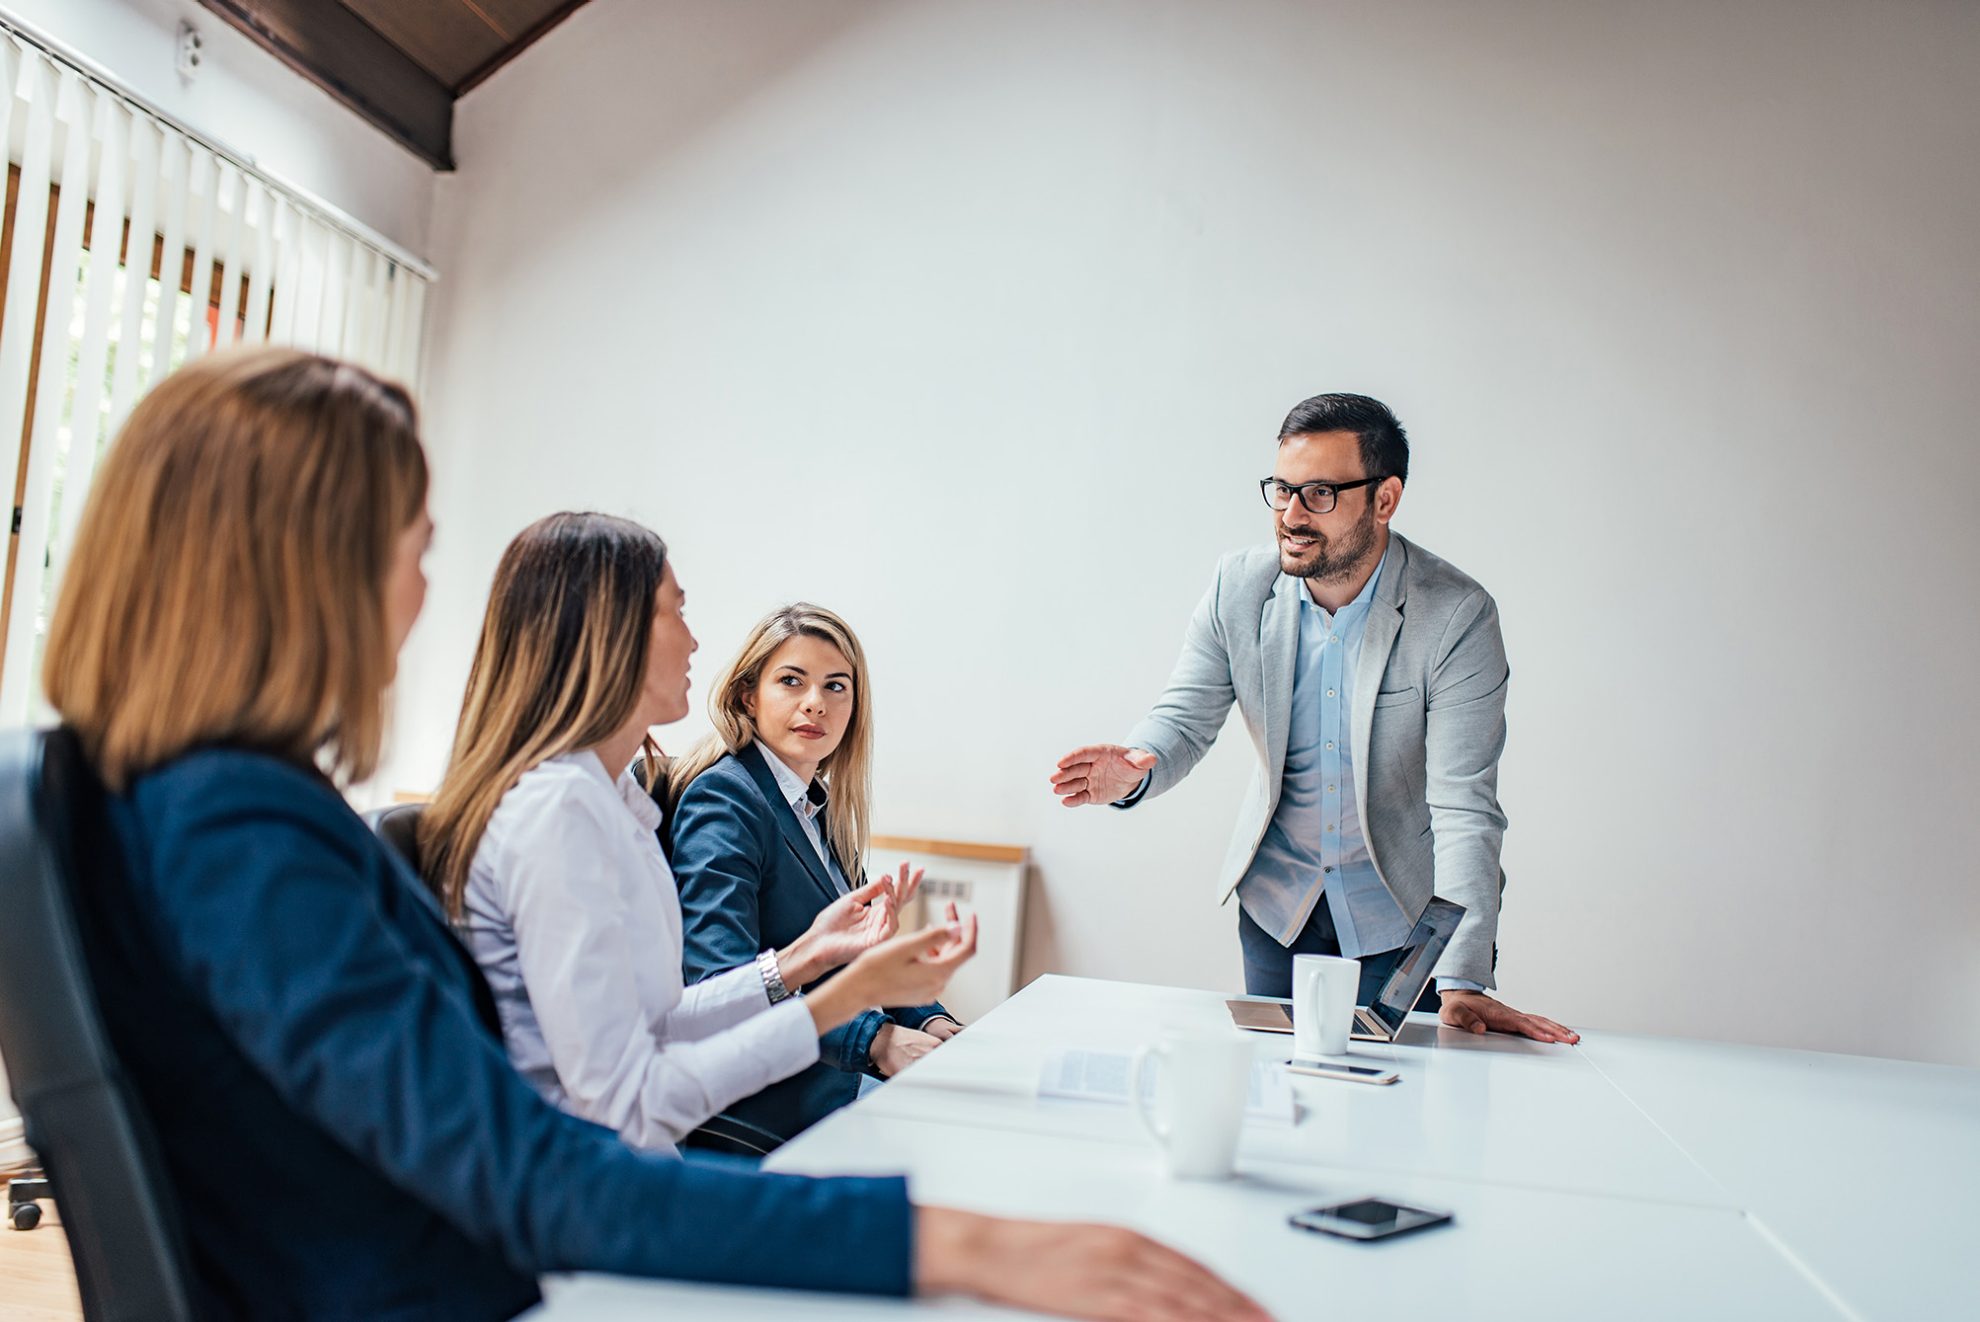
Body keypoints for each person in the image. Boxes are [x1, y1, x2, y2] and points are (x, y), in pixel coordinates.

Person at [43, 347, 1266, 1321]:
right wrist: (952, 1240)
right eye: (412, 551)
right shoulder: (240, 831)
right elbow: (533, 1172)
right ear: (306, 568)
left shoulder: (197, 801)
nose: (423, 593)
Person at [418, 511, 973, 1155]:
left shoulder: (618, 795)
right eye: (674, 612)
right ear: (606, 633)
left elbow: (661, 1025)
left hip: (638, 1159)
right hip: (606, 1183)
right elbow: (627, 1099)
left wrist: (811, 959)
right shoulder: (561, 812)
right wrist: (854, 1007)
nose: (693, 642)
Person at [1051, 392, 1576, 1045]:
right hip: (1279, 907)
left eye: (1320, 493)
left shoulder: (1457, 616)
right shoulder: (1237, 587)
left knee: (1396, 1117)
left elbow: (1464, 810)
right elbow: (1184, 719)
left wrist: (1462, 980)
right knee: (1279, 1106)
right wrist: (1132, 769)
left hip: (1400, 919)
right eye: (1282, 489)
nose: (1292, 515)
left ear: (1384, 500)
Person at [670, 604, 959, 1142]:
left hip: (831, 1079)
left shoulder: (812, 806)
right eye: (791, 681)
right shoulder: (726, 798)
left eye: (835, 687)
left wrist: (933, 1022)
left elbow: (859, 961)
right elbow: (722, 983)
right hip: (771, 1105)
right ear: (746, 696)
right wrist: (876, 1039)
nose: (815, 704)